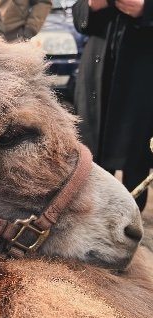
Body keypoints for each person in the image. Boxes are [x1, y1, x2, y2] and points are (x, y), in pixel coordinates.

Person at [73, 0, 153, 211]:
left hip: (142, 77)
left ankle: (130, 225)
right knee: (91, 154)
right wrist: (91, 6)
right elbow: (79, 18)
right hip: (97, 75)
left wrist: (147, 10)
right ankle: (91, 220)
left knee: (136, 158)